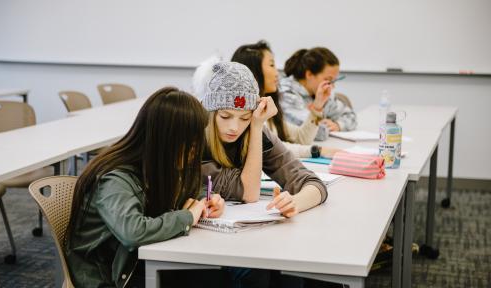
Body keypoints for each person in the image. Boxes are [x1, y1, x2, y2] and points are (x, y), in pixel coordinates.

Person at [65, 87, 225, 287]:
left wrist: (206, 201)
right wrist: (187, 217)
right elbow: (133, 232)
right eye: (190, 143)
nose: (195, 150)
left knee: (216, 274)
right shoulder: (115, 178)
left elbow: (190, 189)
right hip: (111, 276)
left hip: (134, 262)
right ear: (167, 141)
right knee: (209, 277)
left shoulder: (160, 162)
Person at [193, 60, 327, 288]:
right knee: (256, 275)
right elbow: (249, 192)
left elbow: (314, 184)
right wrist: (255, 128)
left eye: (244, 118)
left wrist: (294, 202)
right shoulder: (196, 141)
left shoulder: (257, 134)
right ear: (211, 113)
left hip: (248, 239)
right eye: (225, 116)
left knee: (299, 271)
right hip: (203, 246)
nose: (234, 127)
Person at [231, 40, 341, 158]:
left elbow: (301, 138)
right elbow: (270, 148)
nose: (277, 73)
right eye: (272, 65)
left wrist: (318, 105)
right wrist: (317, 150)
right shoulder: (241, 112)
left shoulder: (266, 106)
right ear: (252, 70)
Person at [280, 47, 357, 141]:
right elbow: (316, 132)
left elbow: (351, 116)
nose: (332, 86)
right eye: (328, 79)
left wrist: (337, 125)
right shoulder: (286, 93)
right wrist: (324, 123)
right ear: (309, 74)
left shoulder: (322, 92)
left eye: (333, 81)